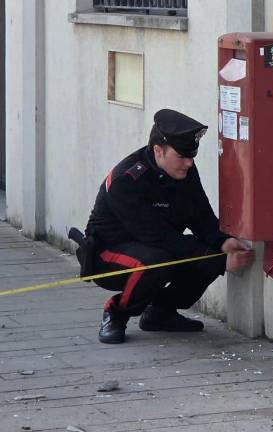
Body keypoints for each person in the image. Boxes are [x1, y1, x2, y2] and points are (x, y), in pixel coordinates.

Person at [81, 109, 254, 344]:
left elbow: (201, 215)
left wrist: (221, 241)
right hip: (109, 255)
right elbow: (161, 238)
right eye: (182, 156)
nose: (189, 163)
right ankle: (116, 312)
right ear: (158, 151)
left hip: (156, 248)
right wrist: (220, 261)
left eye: (191, 156)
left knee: (204, 253)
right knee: (158, 261)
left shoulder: (185, 171)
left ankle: (161, 312)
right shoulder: (126, 180)